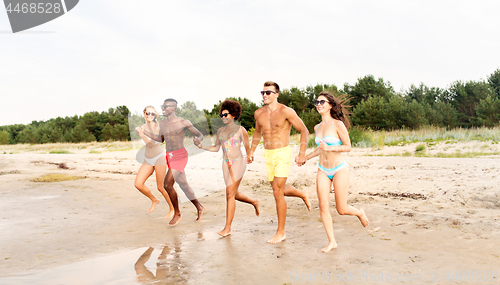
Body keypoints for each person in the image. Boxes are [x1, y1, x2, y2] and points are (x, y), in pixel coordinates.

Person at [304, 91, 369, 253]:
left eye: (322, 102)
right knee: (323, 206)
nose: (318, 104)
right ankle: (332, 241)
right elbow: (320, 149)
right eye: (317, 102)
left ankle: (359, 213)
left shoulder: (337, 125)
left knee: (342, 209)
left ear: (330, 105)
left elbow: (348, 147)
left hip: (339, 169)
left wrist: (331, 147)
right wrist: (306, 157)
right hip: (323, 169)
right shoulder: (317, 127)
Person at [247, 81, 311, 243]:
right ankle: (302, 193)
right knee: (278, 189)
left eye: (268, 93)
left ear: (276, 94)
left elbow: (304, 130)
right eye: (262, 92)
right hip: (268, 154)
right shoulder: (258, 113)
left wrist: (302, 153)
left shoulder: (286, 111)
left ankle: (281, 232)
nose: (264, 95)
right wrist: (251, 151)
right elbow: (257, 133)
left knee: (277, 191)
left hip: (283, 153)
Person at [196, 100, 260, 237]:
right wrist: (202, 147)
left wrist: (250, 156)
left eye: (226, 114)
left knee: (229, 194)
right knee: (234, 194)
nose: (223, 117)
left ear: (233, 114)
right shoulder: (220, 131)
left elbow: (248, 149)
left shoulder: (241, 130)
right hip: (225, 164)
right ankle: (254, 201)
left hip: (238, 162)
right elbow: (216, 148)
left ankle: (227, 228)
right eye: (221, 115)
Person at [137, 98, 205, 226]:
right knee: (184, 185)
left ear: (173, 108)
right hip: (170, 156)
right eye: (162, 106)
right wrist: (144, 132)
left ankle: (177, 213)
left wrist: (198, 139)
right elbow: (160, 139)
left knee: (167, 184)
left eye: (165, 106)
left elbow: (199, 134)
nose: (162, 108)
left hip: (180, 156)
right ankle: (200, 207)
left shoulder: (184, 122)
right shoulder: (162, 124)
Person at [134, 106, 174, 218]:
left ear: (155, 115)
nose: (150, 115)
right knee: (138, 184)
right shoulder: (142, 127)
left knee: (161, 187)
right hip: (148, 159)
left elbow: (151, 144)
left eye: (152, 113)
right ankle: (154, 199)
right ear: (144, 114)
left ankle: (172, 209)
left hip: (159, 158)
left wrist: (141, 133)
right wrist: (139, 131)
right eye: (148, 113)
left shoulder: (157, 127)